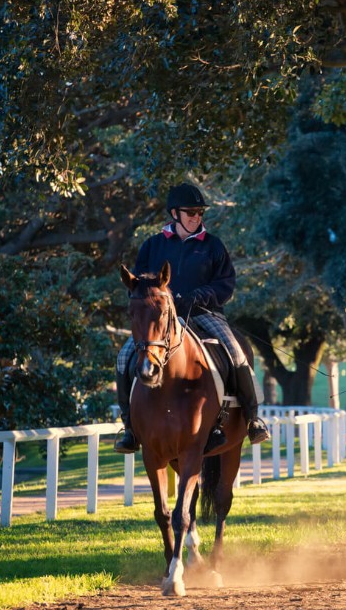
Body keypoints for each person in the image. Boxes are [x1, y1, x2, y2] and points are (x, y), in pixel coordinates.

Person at [114, 182, 271, 453]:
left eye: (199, 212)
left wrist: (200, 296)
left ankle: (253, 419)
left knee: (236, 354)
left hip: (204, 315)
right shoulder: (153, 245)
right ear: (175, 214)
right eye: (191, 212)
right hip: (161, 322)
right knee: (122, 357)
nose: (196, 217)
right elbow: (138, 283)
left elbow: (226, 283)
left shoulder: (213, 245)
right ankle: (129, 428)